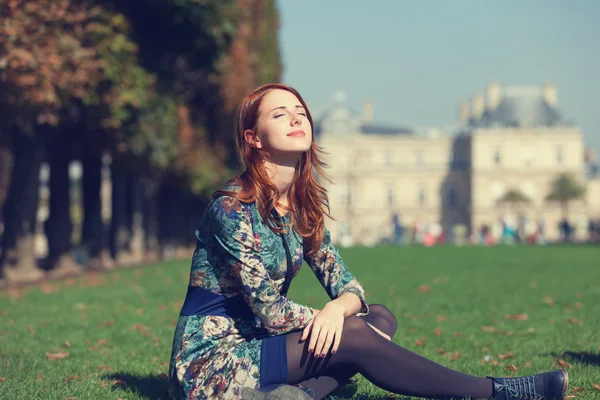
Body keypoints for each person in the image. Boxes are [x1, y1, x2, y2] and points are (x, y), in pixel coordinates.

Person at [167, 83, 569, 400]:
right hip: (212, 363)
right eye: (280, 114)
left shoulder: (301, 207)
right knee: (355, 333)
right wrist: (332, 319)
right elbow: (271, 313)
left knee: (379, 317)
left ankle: (300, 396)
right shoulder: (232, 207)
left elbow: (350, 287)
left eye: (301, 112)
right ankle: (496, 391)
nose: (296, 118)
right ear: (254, 138)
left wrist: (340, 308)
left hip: (260, 348)